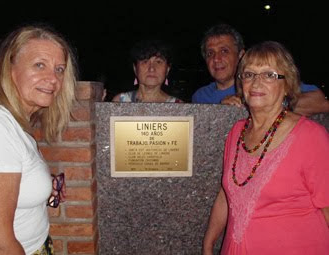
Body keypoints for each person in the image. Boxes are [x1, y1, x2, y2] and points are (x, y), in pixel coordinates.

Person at [203, 41, 329, 254]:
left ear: (287, 84)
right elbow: (229, 193)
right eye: (249, 74)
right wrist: (208, 244)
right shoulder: (236, 133)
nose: (256, 82)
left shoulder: (311, 136)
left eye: (269, 75)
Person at [0, 25, 77, 254]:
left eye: (59, 69)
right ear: (9, 69)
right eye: (40, 65)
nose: (53, 79)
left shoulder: (16, 122)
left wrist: (42, 185)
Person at [192, 23, 329, 116]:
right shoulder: (200, 96)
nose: (216, 59)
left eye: (224, 51)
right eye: (210, 53)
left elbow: (321, 102)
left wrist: (251, 103)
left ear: (241, 55)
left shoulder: (263, 83)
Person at [112, 39, 183, 103]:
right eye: (145, 62)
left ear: (167, 69)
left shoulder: (179, 106)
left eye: (158, 62)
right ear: (135, 68)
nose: (151, 68)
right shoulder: (121, 101)